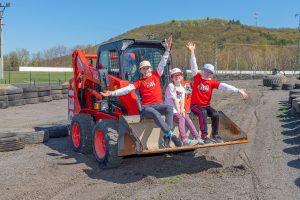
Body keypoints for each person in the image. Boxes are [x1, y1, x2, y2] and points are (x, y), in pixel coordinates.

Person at [101, 36, 182, 148]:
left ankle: (167, 136)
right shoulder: (139, 82)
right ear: (141, 71)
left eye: (147, 68)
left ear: (150, 68)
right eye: (143, 69)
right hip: (146, 108)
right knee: (154, 113)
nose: (146, 70)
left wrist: (167, 50)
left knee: (168, 108)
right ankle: (169, 134)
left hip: (158, 104)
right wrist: (112, 93)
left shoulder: (156, 75)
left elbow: (162, 63)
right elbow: (127, 89)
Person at [186, 42, 249, 144]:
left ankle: (215, 135)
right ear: (202, 71)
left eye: (210, 72)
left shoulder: (212, 82)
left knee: (215, 114)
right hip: (195, 105)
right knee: (203, 112)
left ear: (212, 74)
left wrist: (238, 90)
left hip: (206, 105)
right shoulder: (197, 77)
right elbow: (193, 65)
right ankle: (204, 136)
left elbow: (224, 86)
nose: (208, 73)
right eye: (206, 71)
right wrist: (192, 51)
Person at [164, 68, 205, 146]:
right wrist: (180, 111)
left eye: (179, 75)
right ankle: (184, 139)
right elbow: (175, 100)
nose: (177, 77)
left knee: (188, 119)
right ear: (171, 78)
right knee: (181, 117)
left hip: (178, 109)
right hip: (170, 110)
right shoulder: (170, 86)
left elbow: (183, 99)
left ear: (182, 77)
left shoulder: (184, 87)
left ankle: (197, 137)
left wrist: (182, 109)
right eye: (174, 76)